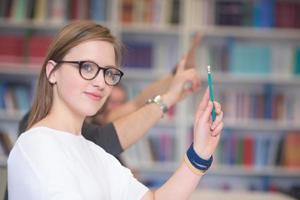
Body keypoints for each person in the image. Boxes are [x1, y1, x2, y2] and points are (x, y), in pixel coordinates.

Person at [8, 21, 223, 199]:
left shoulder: (96, 153)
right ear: (52, 72)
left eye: (108, 73)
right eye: (87, 67)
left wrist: (200, 153)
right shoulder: (36, 145)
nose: (101, 82)